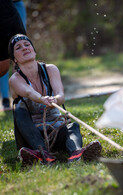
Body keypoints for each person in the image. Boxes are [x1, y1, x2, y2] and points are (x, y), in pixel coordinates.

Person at [8, 34, 102, 165]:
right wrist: (42, 99)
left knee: (73, 126)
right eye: (18, 47)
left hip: (56, 131)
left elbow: (60, 95)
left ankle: (76, 153)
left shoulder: (51, 69)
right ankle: (42, 154)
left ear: (34, 50)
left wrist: (55, 100)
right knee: (19, 108)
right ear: (14, 60)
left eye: (27, 44)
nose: (24, 48)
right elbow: (28, 92)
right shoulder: (15, 79)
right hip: (32, 135)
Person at [0, 0, 27, 108]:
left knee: (21, 52)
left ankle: (22, 99)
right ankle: (5, 97)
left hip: (13, 5)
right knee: (3, 65)